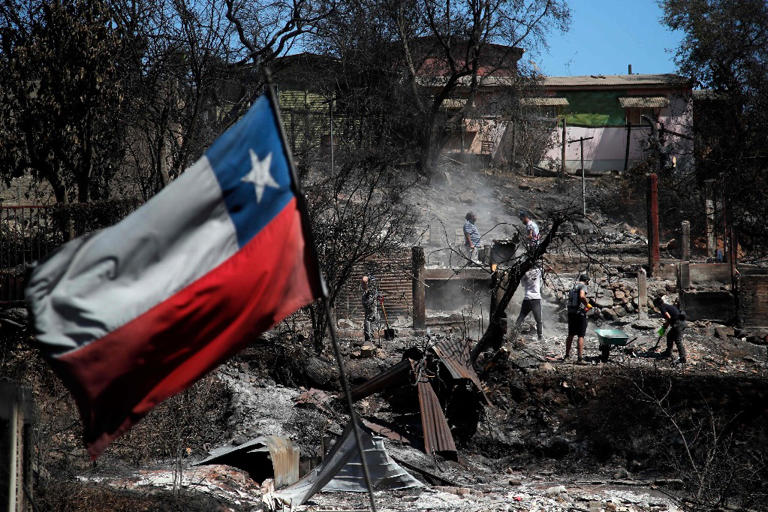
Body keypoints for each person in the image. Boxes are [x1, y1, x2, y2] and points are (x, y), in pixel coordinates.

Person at [565, 273, 591, 363]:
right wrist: (587, 304)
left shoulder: (573, 287)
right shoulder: (583, 286)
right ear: (586, 281)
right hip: (579, 313)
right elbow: (582, 296)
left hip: (571, 313)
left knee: (571, 334)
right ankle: (580, 359)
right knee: (581, 335)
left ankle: (567, 356)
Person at [654, 296, 687, 365]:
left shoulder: (662, 307)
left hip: (678, 324)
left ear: (657, 304)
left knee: (678, 340)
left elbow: (668, 316)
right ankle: (668, 352)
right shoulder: (667, 306)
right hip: (681, 322)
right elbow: (671, 317)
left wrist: (666, 324)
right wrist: (666, 324)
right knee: (669, 336)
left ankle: (682, 357)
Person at [515, 266, 543, 341]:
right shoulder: (538, 271)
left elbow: (523, 285)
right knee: (539, 320)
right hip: (536, 299)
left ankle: (514, 334)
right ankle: (540, 337)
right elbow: (544, 269)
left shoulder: (524, 274)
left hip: (527, 298)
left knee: (520, 318)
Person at [361, 276, 378, 343]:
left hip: (371, 305)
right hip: (372, 305)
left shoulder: (371, 288)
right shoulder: (373, 286)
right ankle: (371, 339)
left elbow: (370, 299)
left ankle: (369, 339)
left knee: (368, 320)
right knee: (372, 320)